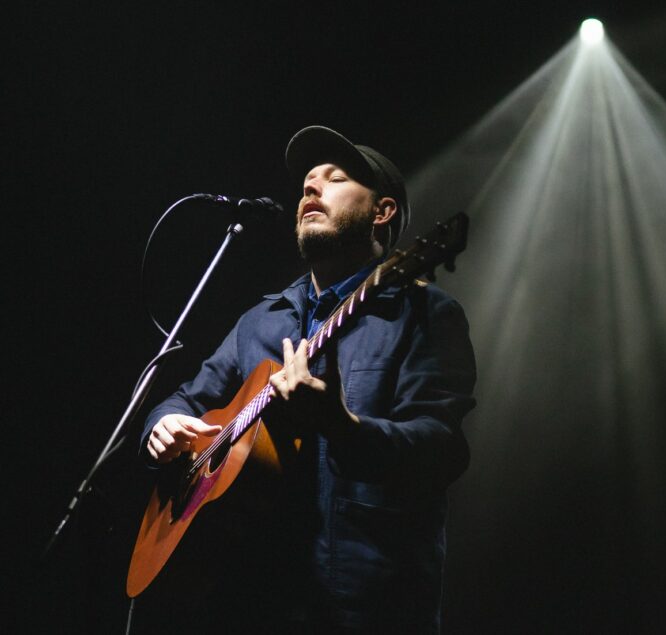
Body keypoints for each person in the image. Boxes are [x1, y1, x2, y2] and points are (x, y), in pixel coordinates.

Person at [140, 126, 476, 634]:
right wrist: (161, 426)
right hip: (252, 600)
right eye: (306, 184)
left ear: (382, 212)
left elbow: (440, 449)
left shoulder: (426, 313)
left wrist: (342, 426)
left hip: (366, 604)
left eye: (335, 179)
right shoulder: (261, 320)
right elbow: (184, 399)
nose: (310, 190)